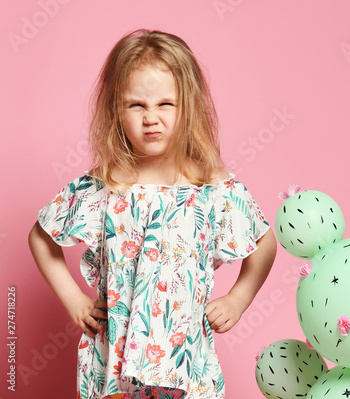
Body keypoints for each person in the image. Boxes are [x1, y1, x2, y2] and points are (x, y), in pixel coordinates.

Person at [28, 29, 276, 399]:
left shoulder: (212, 189)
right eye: (136, 105)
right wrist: (74, 300)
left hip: (186, 363)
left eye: (165, 104)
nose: (151, 119)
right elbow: (40, 235)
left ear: (187, 106)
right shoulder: (103, 187)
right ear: (116, 109)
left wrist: (238, 298)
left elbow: (263, 241)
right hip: (114, 363)